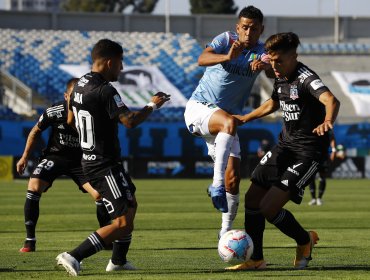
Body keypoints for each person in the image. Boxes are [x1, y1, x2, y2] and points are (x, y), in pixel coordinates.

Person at [226, 32, 340, 270]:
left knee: (269, 208)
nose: (275, 66)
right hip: (285, 146)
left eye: (280, 61)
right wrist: (246, 117)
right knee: (252, 199)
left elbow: (331, 100)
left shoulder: (307, 78)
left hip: (308, 153)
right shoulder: (280, 74)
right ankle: (256, 259)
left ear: (294, 57)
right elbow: (274, 102)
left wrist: (328, 120)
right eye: (272, 60)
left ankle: (304, 240)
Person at [56, 38, 170, 276]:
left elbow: (70, 121)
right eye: (120, 63)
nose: (122, 68)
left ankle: (118, 261)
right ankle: (73, 256)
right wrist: (152, 104)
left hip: (97, 160)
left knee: (131, 205)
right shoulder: (105, 90)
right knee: (122, 222)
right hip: (102, 164)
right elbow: (130, 121)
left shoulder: (78, 85)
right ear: (109, 62)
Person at [184, 5, 273, 238]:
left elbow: (273, 71)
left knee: (233, 180)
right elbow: (202, 59)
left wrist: (265, 67)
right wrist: (227, 57)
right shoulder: (226, 40)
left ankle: (225, 232)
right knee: (228, 124)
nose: (248, 33)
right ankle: (216, 185)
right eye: (244, 27)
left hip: (226, 121)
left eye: (254, 29)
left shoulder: (262, 51)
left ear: (261, 30)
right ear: (237, 27)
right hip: (199, 108)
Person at [16, 78, 111, 253]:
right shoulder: (55, 111)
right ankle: (30, 240)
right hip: (55, 156)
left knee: (99, 195)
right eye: (72, 96)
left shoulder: (90, 112)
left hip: (80, 160)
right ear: (66, 96)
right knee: (34, 186)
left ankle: (105, 237)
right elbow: (36, 130)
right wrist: (24, 157)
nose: (75, 100)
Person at [308, 130, 337, 206]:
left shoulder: (326, 127)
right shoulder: (311, 125)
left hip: (323, 156)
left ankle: (319, 199)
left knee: (322, 177)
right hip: (312, 156)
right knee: (311, 177)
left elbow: (332, 139)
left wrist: (334, 150)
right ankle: (313, 199)